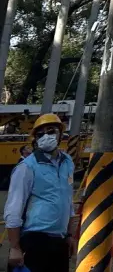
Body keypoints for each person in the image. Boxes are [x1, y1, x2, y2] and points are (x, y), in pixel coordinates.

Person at [4, 114, 74, 272]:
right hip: (35, 239)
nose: (46, 136)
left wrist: (69, 235)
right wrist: (15, 247)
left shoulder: (67, 162)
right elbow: (14, 208)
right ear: (35, 139)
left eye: (51, 131)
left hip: (60, 240)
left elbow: (68, 200)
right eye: (40, 134)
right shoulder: (27, 167)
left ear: (60, 134)